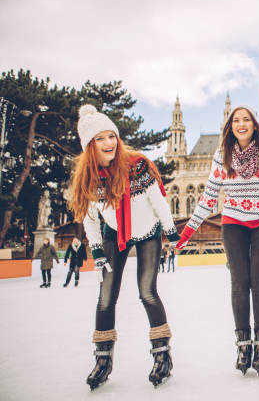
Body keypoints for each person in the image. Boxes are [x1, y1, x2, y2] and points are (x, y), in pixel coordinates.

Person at [68, 105, 179, 389]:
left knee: (147, 291)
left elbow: (159, 202)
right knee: (106, 296)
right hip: (114, 232)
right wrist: (97, 251)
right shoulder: (90, 178)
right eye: (100, 139)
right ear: (89, 146)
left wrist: (171, 232)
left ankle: (162, 355)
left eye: (111, 136)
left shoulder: (137, 165)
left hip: (148, 230)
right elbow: (90, 218)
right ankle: (103, 360)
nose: (109, 143)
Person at [176, 105, 259, 375]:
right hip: (233, 224)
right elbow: (209, 196)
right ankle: (243, 344)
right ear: (229, 127)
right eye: (236, 120)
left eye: (246, 119)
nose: (241, 124)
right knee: (240, 283)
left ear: (254, 124)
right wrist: (190, 228)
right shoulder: (222, 155)